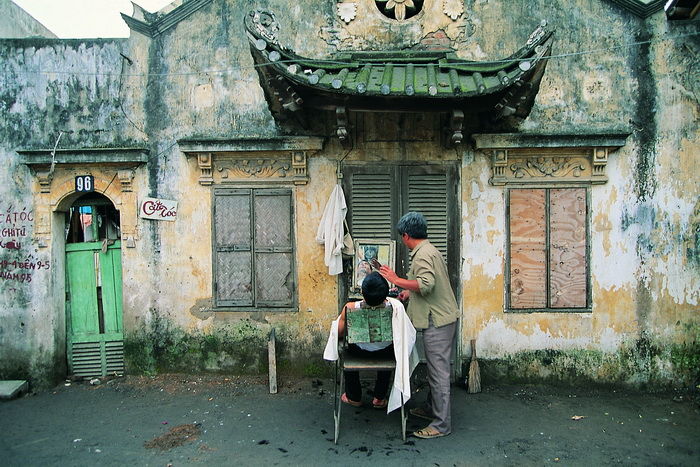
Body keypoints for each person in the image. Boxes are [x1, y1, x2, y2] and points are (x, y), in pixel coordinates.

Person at [379, 211, 459, 439]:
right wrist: (406, 291)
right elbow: (427, 284)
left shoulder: (422, 254)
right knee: (436, 369)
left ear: (405, 235)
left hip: (438, 320)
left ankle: (441, 425)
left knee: (438, 373)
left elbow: (426, 285)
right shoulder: (429, 250)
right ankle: (433, 409)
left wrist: (395, 280)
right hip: (442, 317)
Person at [337, 271, 394, 409]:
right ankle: (379, 398)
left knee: (346, 350)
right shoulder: (395, 308)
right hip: (385, 354)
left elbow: (339, 333)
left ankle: (354, 397)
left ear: (362, 292)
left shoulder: (350, 308)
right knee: (390, 350)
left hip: (358, 353)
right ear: (386, 292)